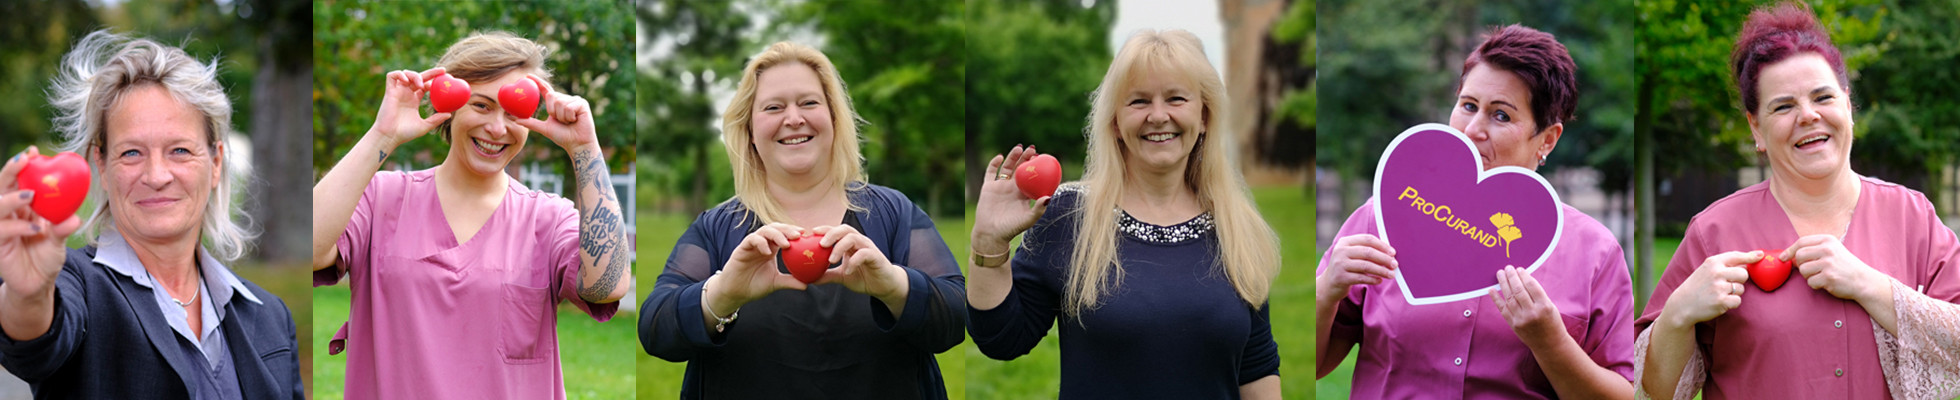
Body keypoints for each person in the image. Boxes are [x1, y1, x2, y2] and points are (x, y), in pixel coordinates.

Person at [1635, 3, 1960, 398]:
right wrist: (1678, 314)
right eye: (1784, 106)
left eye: (1822, 97)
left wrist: (1870, 286)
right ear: (1756, 127)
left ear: (1847, 105)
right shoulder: (1713, 231)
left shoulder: (1913, 216)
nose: (1808, 115)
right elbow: (1653, 390)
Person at [1315, 25, 1637, 399]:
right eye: (1468, 106)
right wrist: (1326, 292)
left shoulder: (1593, 252)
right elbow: (1316, 366)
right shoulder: (1386, 217)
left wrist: (1550, 343)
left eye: (1501, 116)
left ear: (1547, 139)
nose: (1472, 129)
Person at [311, 31, 630, 399]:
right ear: (449, 106)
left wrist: (585, 148)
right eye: (481, 105)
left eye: (514, 112)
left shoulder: (548, 218)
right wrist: (383, 135)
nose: (497, 128)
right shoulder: (382, 197)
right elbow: (312, 247)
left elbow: (608, 286)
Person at [638, 41, 966, 399]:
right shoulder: (718, 227)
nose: (793, 118)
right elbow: (655, 329)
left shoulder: (893, 212)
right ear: (749, 130)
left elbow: (956, 317)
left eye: (809, 102)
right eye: (773, 107)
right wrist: (723, 295)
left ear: (834, 117)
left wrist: (893, 286)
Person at [967, 29, 1283, 399]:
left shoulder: (1236, 224)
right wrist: (988, 241)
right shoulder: (1068, 215)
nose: (1158, 116)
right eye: (1138, 102)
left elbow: (1257, 367)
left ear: (1205, 115)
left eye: (1176, 98)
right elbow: (1001, 339)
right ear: (1115, 121)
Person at [0, 30, 302, 399]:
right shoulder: (73, 283)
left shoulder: (271, 315)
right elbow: (34, 348)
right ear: (103, 165)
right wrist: (28, 295)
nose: (156, 176)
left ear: (216, 162)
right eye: (131, 153)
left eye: (179, 150)